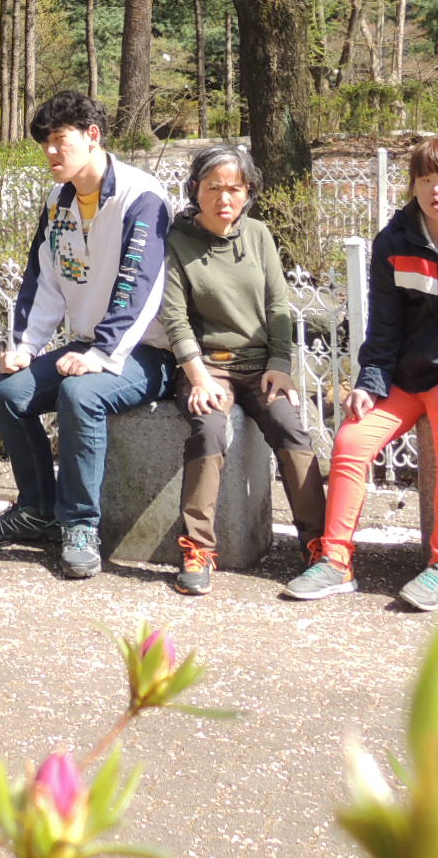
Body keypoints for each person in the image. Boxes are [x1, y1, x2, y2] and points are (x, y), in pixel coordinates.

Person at [285, 135, 438, 613]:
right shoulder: (393, 241)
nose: (437, 190)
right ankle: (335, 561)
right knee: (351, 442)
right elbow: (384, 325)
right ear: (413, 186)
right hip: (402, 380)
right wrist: (370, 382)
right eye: (425, 180)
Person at [0, 91, 177, 581]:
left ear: (92, 136)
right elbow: (44, 280)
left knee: (80, 393)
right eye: (44, 143)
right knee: (8, 392)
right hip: (90, 344)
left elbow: (140, 285)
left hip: (148, 349)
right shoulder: (59, 201)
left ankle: (80, 525)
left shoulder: (141, 196)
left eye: (59, 140)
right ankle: (38, 510)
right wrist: (25, 347)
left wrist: (102, 352)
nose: (50, 152)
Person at [161, 144, 327, 595]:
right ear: (195, 188)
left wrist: (280, 364)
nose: (224, 198)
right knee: (210, 429)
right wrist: (197, 377)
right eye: (213, 187)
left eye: (235, 188)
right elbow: (175, 318)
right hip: (207, 366)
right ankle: (197, 548)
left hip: (260, 366)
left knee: (290, 426)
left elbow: (278, 306)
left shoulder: (258, 234)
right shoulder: (177, 242)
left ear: (248, 192)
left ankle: (319, 544)